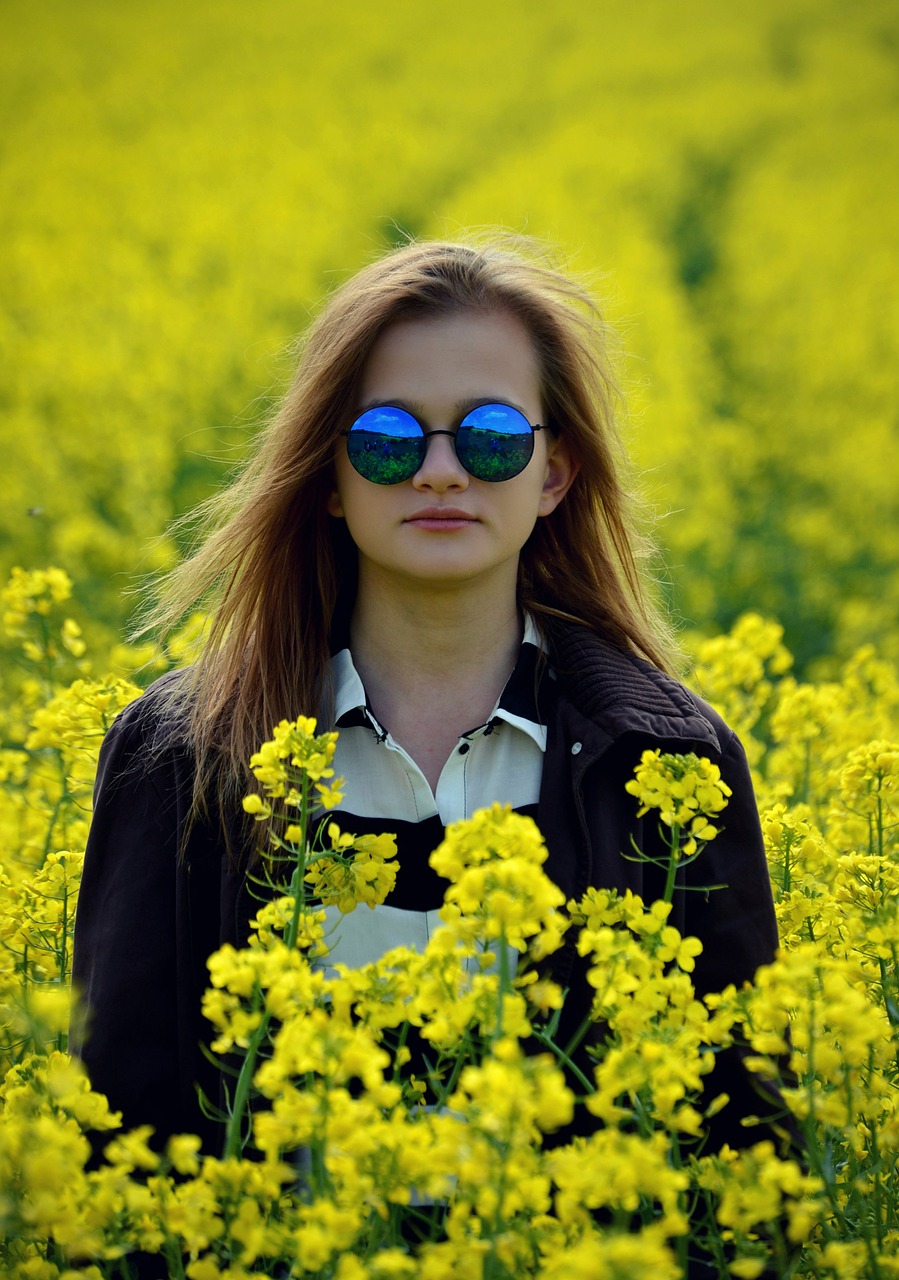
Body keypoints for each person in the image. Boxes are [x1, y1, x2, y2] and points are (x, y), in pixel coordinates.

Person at [72, 236, 780, 1170]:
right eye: (387, 439)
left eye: (490, 438)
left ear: (554, 474)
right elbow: (121, 1135)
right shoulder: (186, 754)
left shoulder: (663, 763)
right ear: (329, 474)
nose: (439, 472)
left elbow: (743, 1134)